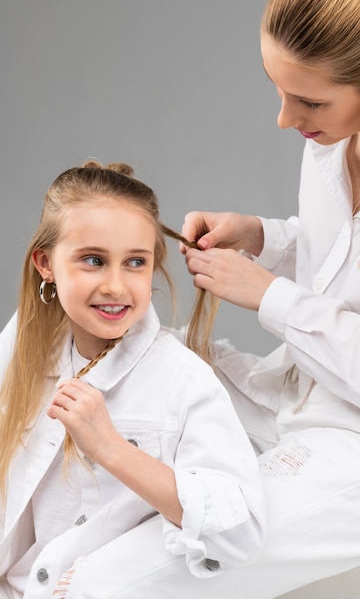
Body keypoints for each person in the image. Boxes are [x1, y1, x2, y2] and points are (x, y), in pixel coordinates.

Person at [56, 0, 360, 597]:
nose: (285, 118)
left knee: (105, 582)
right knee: (126, 368)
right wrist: (263, 237)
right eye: (279, 90)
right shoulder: (336, 140)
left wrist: (267, 295)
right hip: (292, 394)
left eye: (309, 101)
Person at [0, 160, 266, 598]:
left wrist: (111, 449)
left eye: (135, 263)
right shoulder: (27, 352)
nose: (115, 286)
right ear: (46, 264)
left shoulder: (182, 381)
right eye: (93, 261)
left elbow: (240, 532)